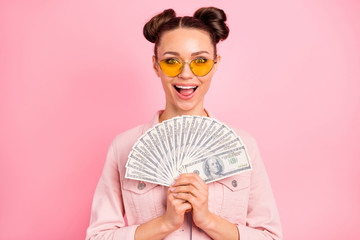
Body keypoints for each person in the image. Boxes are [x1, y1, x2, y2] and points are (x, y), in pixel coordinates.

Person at [86, 7, 282, 240]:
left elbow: (270, 237)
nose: (186, 74)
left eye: (200, 61)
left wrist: (208, 220)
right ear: (156, 65)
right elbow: (97, 237)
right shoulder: (124, 146)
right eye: (172, 61)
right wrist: (164, 224)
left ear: (215, 64)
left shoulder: (244, 146)